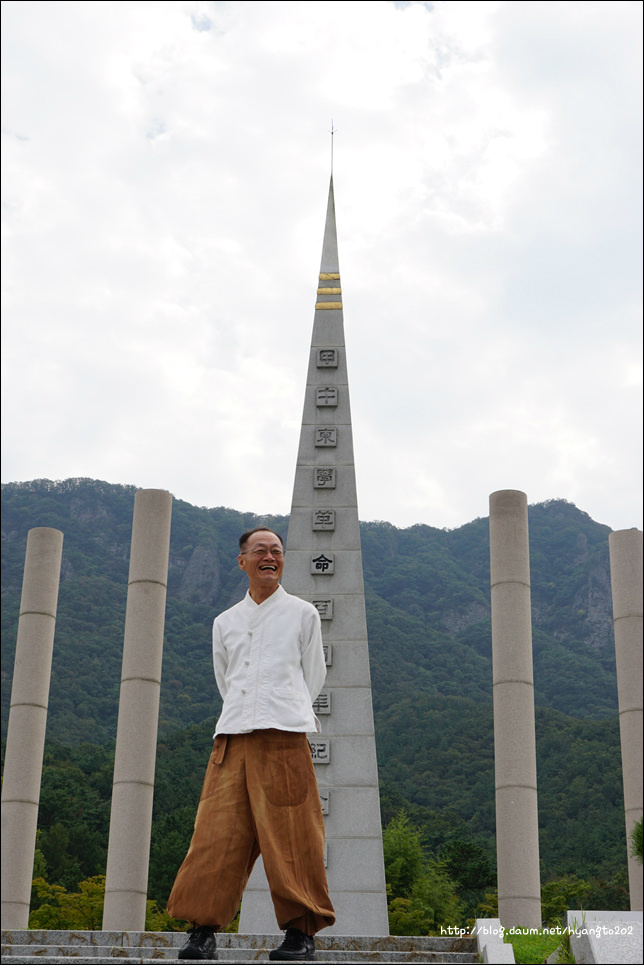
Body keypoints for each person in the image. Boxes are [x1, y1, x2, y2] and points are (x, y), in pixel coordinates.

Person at [167, 526, 335, 962]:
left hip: (283, 737)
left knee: (294, 837)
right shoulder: (225, 621)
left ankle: (300, 935)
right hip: (232, 738)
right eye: (260, 550)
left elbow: (312, 677)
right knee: (215, 836)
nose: (270, 556)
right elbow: (226, 679)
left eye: (277, 551)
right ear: (242, 561)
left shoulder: (302, 614)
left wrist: (281, 708)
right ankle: (202, 931)